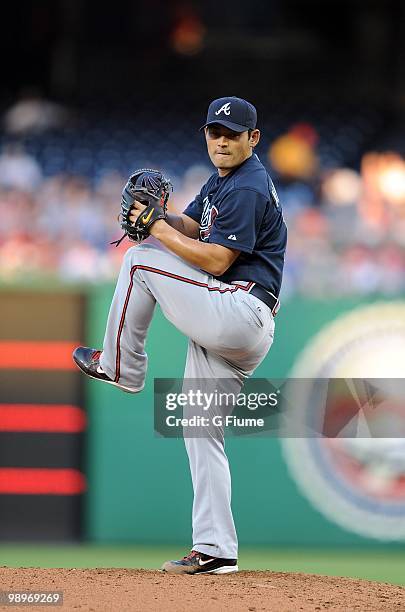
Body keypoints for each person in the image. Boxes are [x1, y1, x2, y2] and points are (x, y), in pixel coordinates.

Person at [73, 96, 287, 574]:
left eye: (234, 133)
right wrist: (163, 215)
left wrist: (155, 232)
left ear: (254, 139)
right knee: (199, 426)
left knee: (139, 258)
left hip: (238, 308)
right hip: (235, 322)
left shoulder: (250, 185)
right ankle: (216, 550)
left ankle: (120, 366)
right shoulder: (221, 182)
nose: (223, 140)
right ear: (206, 135)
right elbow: (193, 226)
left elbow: (216, 259)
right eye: (216, 132)